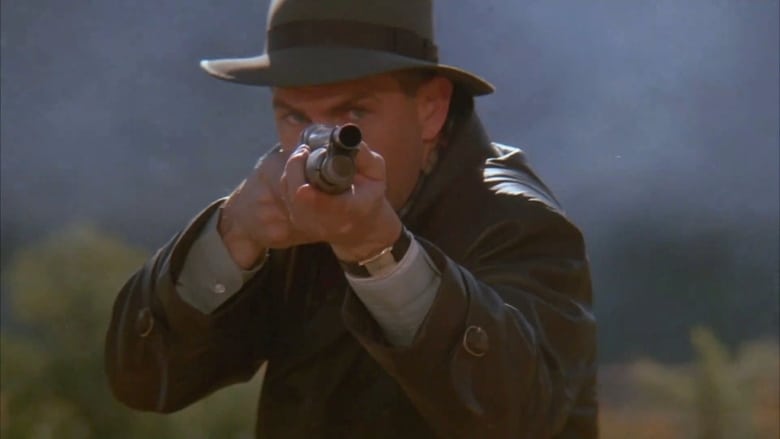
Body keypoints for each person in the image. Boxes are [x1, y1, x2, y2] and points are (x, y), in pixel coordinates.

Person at [104, 0, 597, 437]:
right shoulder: (290, 221)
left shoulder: (518, 222)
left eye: (353, 115)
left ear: (431, 108)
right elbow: (144, 380)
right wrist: (232, 236)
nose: (317, 145)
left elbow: (521, 417)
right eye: (295, 117)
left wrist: (379, 252)